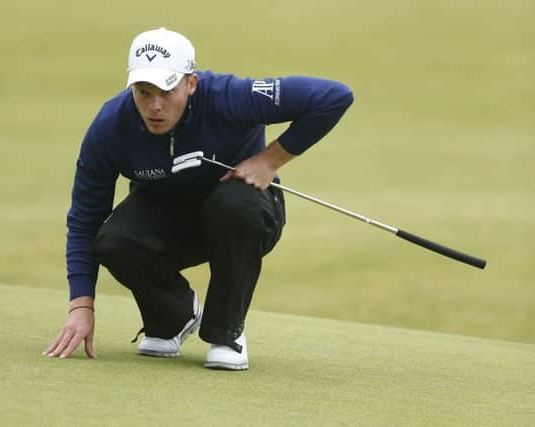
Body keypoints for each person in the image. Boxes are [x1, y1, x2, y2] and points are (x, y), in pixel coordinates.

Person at [44, 27, 353, 370]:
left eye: (167, 91)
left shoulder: (229, 96)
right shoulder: (110, 126)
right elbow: (85, 219)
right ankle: (173, 319)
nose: (155, 106)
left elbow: (333, 96)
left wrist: (269, 160)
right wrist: (81, 306)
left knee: (235, 206)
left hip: (243, 216)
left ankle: (227, 333)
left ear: (191, 84)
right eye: (143, 93)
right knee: (112, 240)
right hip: (170, 221)